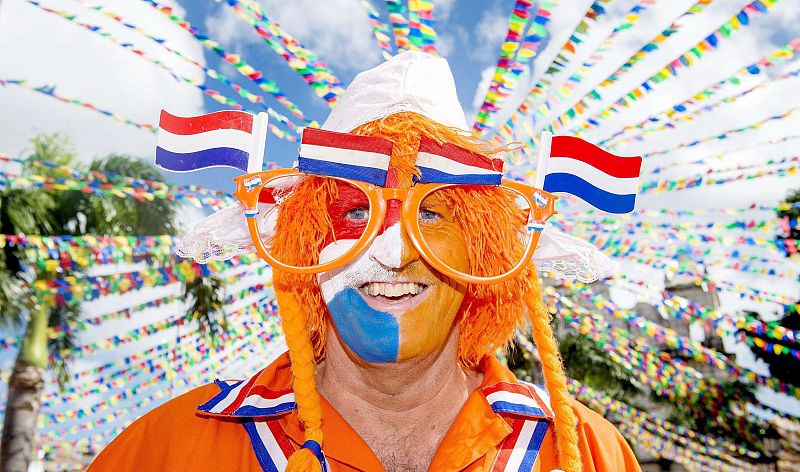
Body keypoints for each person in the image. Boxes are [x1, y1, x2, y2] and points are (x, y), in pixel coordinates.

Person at [89, 51, 640, 472]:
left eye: (432, 216)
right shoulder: (171, 447)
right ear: (301, 247)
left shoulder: (587, 450)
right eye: (355, 211)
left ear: (485, 248)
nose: (394, 254)